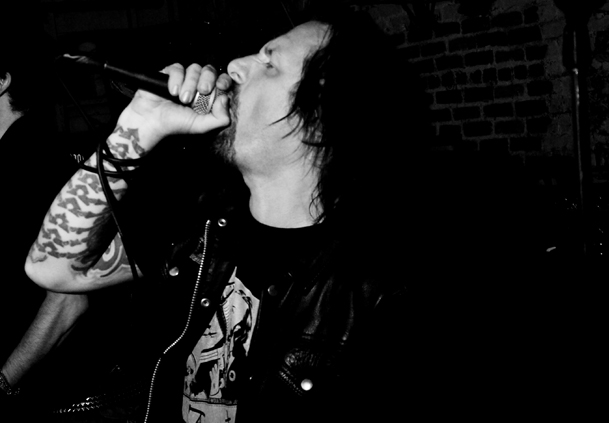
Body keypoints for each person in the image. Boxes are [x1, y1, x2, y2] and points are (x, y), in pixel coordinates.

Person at [26, 7, 433, 422]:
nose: (235, 66)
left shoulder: (383, 296)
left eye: (269, 63)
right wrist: (140, 124)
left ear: (323, 118)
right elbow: (52, 270)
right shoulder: (199, 225)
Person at [0, 6, 89, 413]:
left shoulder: (35, 163)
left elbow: (69, 299)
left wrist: (5, 381)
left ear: (2, 80)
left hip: (49, 398)